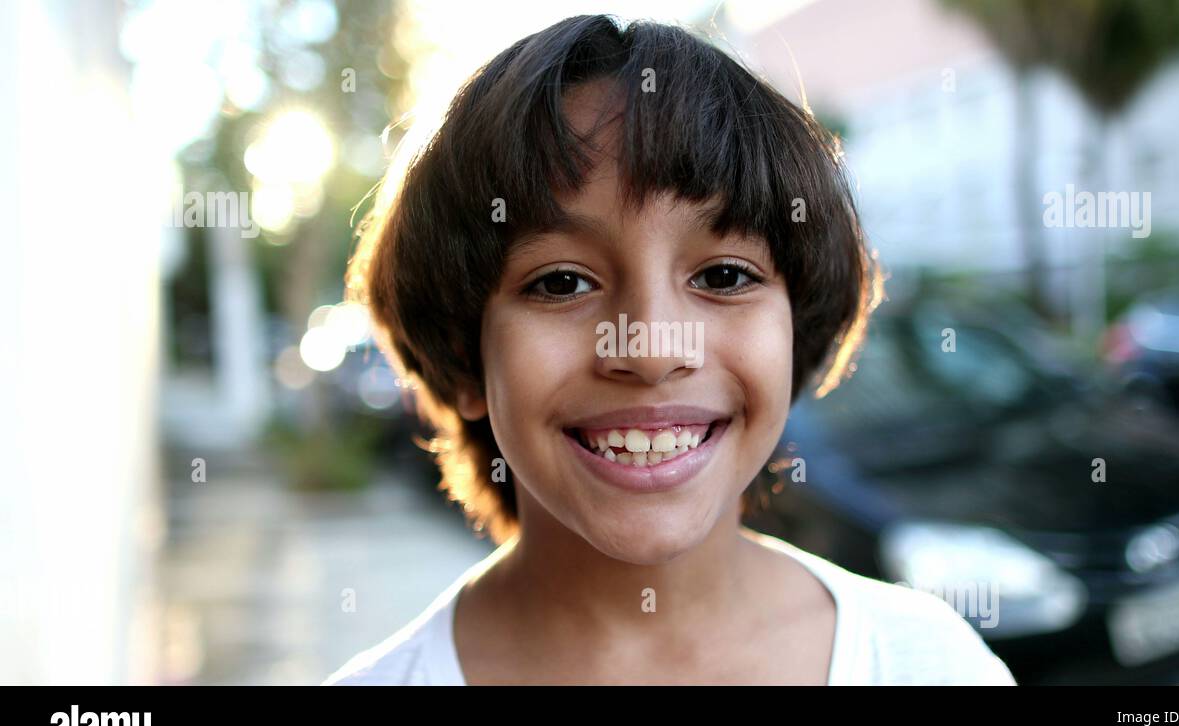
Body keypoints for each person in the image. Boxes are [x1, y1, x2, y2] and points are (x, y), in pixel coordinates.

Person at [324, 14, 1016, 685]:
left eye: (723, 276)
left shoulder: (931, 664)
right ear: (463, 356)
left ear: (793, 336)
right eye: (562, 282)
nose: (653, 349)